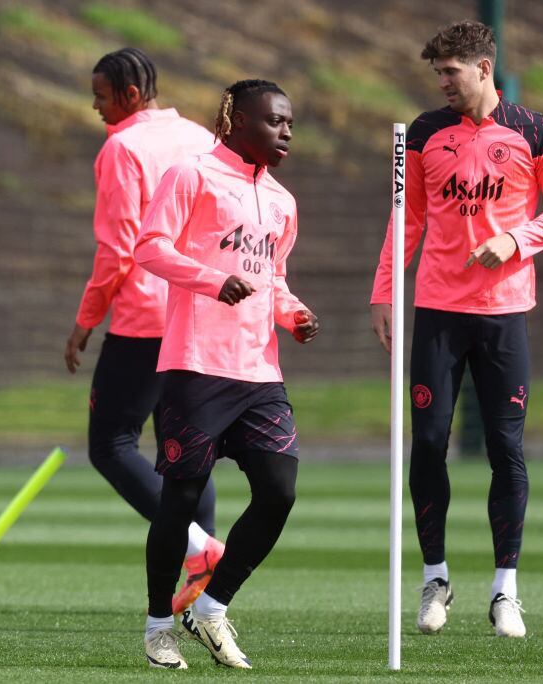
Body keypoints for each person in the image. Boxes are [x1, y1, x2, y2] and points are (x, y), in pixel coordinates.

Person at [370, 20, 543, 639]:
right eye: (437, 73)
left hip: (505, 312)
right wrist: (386, 292)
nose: (442, 83)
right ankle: (435, 579)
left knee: (505, 449)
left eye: (450, 72)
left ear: (484, 69)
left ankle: (505, 592)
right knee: (428, 441)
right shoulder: (424, 132)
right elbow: (404, 218)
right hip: (436, 311)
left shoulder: (537, 132)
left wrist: (515, 239)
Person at [132, 79, 319, 669]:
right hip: (196, 366)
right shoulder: (191, 176)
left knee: (280, 490)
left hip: (260, 371)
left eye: (289, 122)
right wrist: (213, 280)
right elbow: (150, 247)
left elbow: (274, 279)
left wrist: (294, 314)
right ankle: (159, 624)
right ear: (235, 120)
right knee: (180, 500)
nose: (285, 131)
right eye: (273, 121)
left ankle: (212, 608)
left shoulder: (283, 202)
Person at [63, 47, 223, 614]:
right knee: (187, 451)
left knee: (110, 443)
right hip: (201, 309)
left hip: (145, 315)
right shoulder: (202, 137)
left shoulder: (122, 147)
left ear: (130, 95)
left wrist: (86, 322)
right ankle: (205, 585)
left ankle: (198, 545)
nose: (96, 105)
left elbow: (118, 250)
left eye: (102, 95)